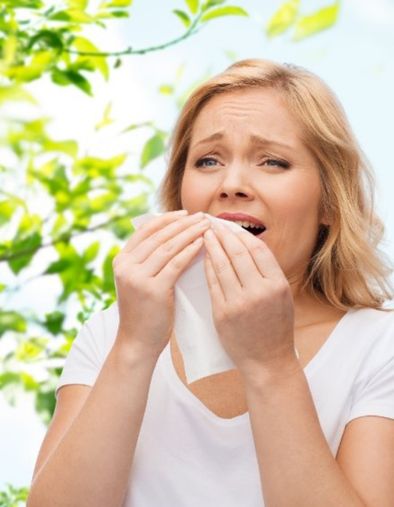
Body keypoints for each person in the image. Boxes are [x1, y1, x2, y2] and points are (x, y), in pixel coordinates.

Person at [27, 59, 394, 507]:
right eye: (208, 160)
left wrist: (271, 365)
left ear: (330, 204)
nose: (232, 184)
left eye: (273, 162)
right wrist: (135, 346)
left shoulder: (379, 346)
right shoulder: (110, 334)